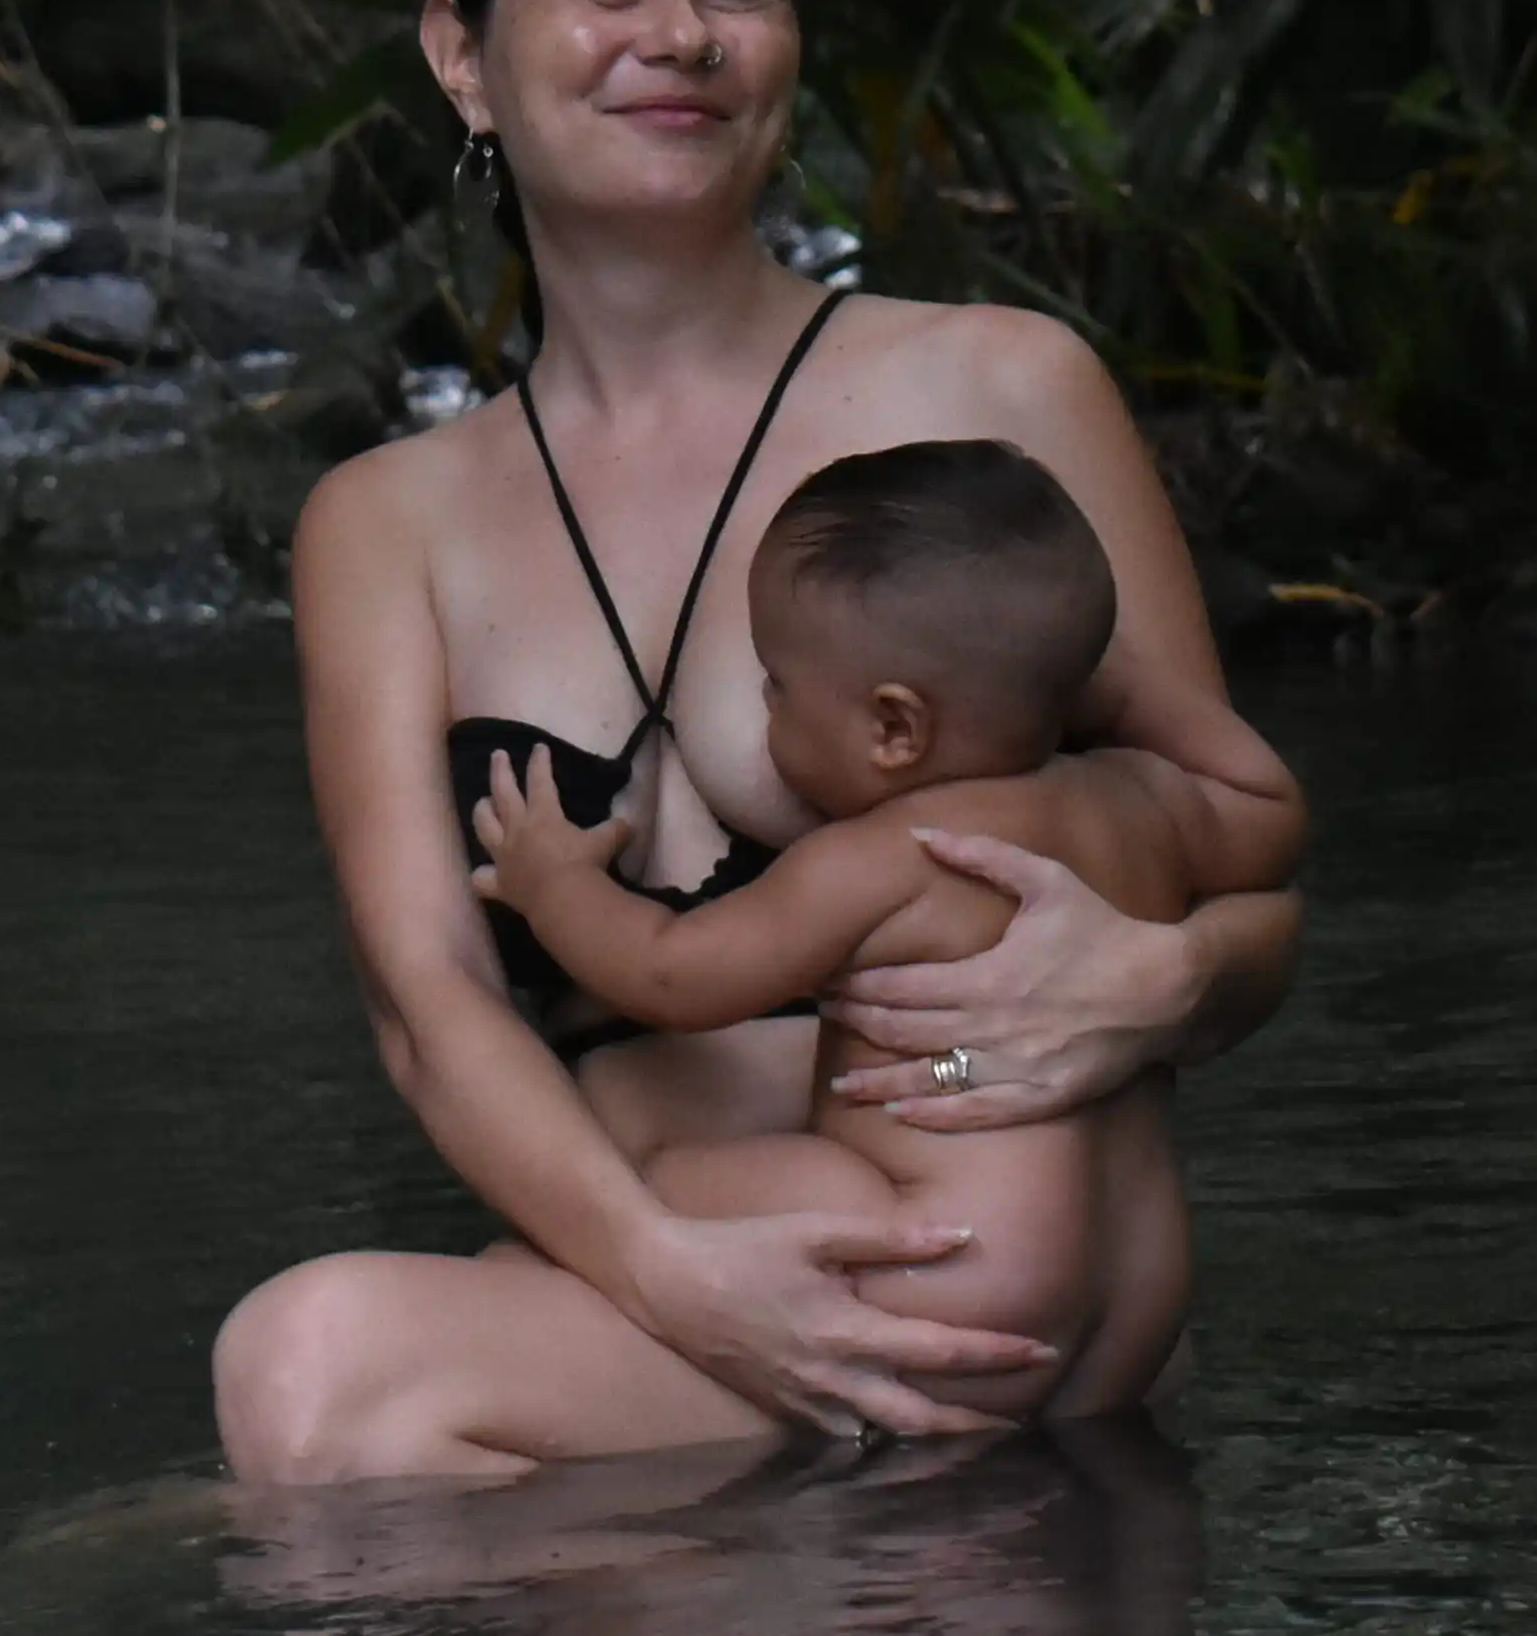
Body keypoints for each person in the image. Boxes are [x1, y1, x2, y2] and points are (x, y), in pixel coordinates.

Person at [214, 0, 1308, 1482]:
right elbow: (429, 1012)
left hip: (976, 1278)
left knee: (313, 1372)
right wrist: (673, 1274)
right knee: (338, 1443)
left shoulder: (999, 394)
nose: (683, 33)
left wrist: (1165, 985)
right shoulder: (385, 523)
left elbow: (1238, 871)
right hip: (666, 1302)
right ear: (464, 54)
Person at [466, 438, 1303, 1429]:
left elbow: (670, 973)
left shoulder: (885, 857)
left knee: (663, 1167)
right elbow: (1272, 803)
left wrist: (555, 883)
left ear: (895, 729)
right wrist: (1097, 680)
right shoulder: (1146, 803)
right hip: (1138, 1297)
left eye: (777, 683)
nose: (768, 702)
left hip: (950, 1263)